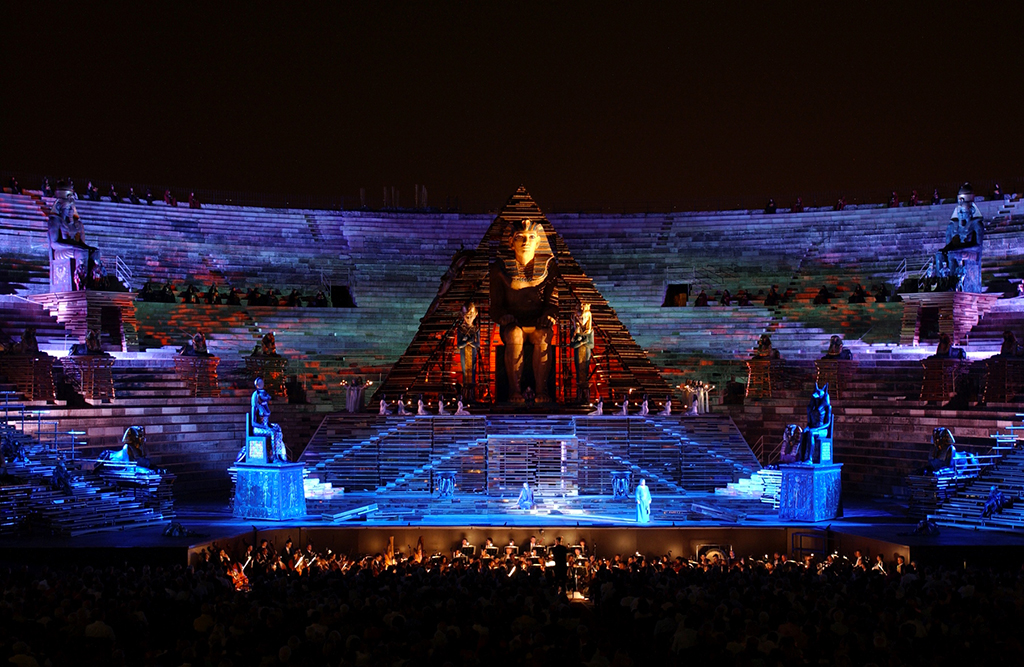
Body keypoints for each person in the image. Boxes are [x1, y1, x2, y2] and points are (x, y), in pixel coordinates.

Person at [490, 219, 558, 403]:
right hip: (513, 322)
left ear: (538, 242)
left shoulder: (550, 268)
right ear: (511, 242)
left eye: (531, 237)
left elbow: (552, 302)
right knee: (514, 334)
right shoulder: (498, 269)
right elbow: (495, 306)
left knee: (544, 335)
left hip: (537, 322)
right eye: (520, 237)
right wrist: (503, 317)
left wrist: (548, 314)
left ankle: (541, 390)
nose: (526, 242)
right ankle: (514, 390)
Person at [251, 377, 287, 462]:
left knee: (277, 429)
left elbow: (266, 421)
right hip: (258, 429)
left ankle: (281, 455)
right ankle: (274, 457)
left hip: (265, 426)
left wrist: (269, 426)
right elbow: (253, 423)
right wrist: (266, 427)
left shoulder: (264, 406)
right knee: (273, 433)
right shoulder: (255, 407)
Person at [570, 303, 594, 403]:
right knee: (579, 372)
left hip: (586, 353)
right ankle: (579, 394)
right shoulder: (575, 331)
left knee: (585, 370)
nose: (582, 320)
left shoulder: (590, 331)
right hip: (578, 353)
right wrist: (580, 342)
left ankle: (584, 394)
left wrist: (582, 342)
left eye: (583, 318)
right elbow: (572, 345)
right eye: (579, 318)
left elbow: (591, 345)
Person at [456, 301, 480, 402]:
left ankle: (471, 396)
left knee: (472, 372)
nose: (468, 318)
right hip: (464, 353)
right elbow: (459, 345)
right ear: (462, 315)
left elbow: (477, 344)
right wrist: (467, 342)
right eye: (466, 316)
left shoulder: (476, 329)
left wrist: (468, 341)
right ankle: (466, 396)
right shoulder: (460, 329)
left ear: (475, 315)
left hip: (472, 353)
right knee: (466, 373)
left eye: (470, 315)